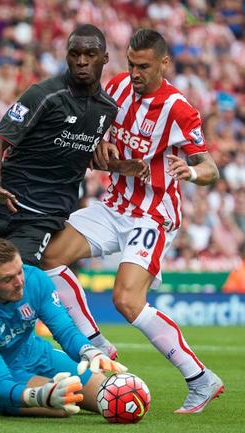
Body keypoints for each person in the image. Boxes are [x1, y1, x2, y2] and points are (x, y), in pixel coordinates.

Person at [0, 24, 148, 365]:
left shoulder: (107, 109)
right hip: (0, 202)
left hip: (43, 217)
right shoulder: (43, 95)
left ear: (105, 59)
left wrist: (121, 165)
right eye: (74, 54)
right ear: (66, 56)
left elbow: (86, 155)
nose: (81, 61)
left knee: (9, 292)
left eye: (90, 55)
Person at [40, 29, 223, 414]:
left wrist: (189, 173)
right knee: (48, 257)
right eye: (131, 65)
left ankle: (200, 378)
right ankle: (95, 341)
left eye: (143, 66)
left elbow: (211, 168)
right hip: (114, 204)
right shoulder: (120, 87)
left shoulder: (178, 108)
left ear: (163, 63)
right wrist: (99, 141)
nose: (135, 73)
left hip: (153, 215)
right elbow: (100, 128)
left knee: (126, 299)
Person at [0, 238, 126, 416]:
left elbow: (65, 329)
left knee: (111, 394)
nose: (19, 282)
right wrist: (38, 396)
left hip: (31, 353)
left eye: (19, 271)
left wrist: (88, 351)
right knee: (62, 407)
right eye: (7, 278)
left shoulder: (35, 279)